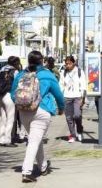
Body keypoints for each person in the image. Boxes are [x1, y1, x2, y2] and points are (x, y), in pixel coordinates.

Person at [11, 51, 65, 183]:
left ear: (28, 61)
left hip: (24, 112)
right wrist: (61, 108)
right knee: (34, 140)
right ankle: (27, 171)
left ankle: (43, 167)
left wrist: (22, 104)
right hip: (42, 110)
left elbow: (13, 94)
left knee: (36, 139)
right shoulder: (47, 74)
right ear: (41, 61)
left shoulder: (21, 75)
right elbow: (58, 94)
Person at [0, 56, 21, 147]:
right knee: (11, 119)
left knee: (4, 118)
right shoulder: (15, 72)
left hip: (0, 95)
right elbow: (18, 84)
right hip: (9, 96)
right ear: (15, 63)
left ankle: (1, 139)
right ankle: (8, 140)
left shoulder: (1, 70)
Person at [60, 56, 86, 143]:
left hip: (77, 96)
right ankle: (73, 135)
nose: (67, 65)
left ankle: (79, 130)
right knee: (69, 118)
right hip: (67, 97)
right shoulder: (63, 72)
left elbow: (83, 85)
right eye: (66, 63)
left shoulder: (79, 71)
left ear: (73, 63)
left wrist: (83, 98)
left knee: (77, 115)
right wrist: (60, 97)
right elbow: (61, 85)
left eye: (69, 63)